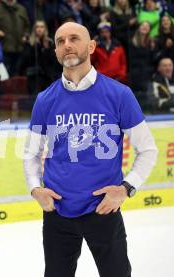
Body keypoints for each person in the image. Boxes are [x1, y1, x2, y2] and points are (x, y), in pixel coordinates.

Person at [23, 22, 158, 277]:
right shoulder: (45, 100)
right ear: (55, 51)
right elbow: (30, 153)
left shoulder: (119, 94)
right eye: (60, 41)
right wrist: (35, 188)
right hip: (57, 214)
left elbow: (148, 150)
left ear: (92, 46)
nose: (67, 45)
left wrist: (126, 188)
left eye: (74, 38)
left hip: (103, 211)